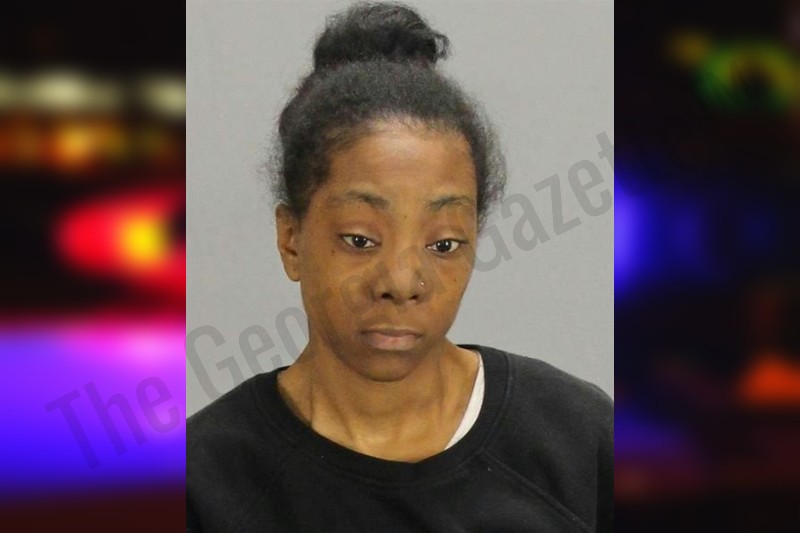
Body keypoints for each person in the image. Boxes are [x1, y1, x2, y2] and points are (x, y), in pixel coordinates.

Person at [187, 2, 612, 531]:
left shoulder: (577, 441)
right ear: (291, 239)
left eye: (444, 244)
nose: (401, 282)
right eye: (360, 239)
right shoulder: (205, 484)